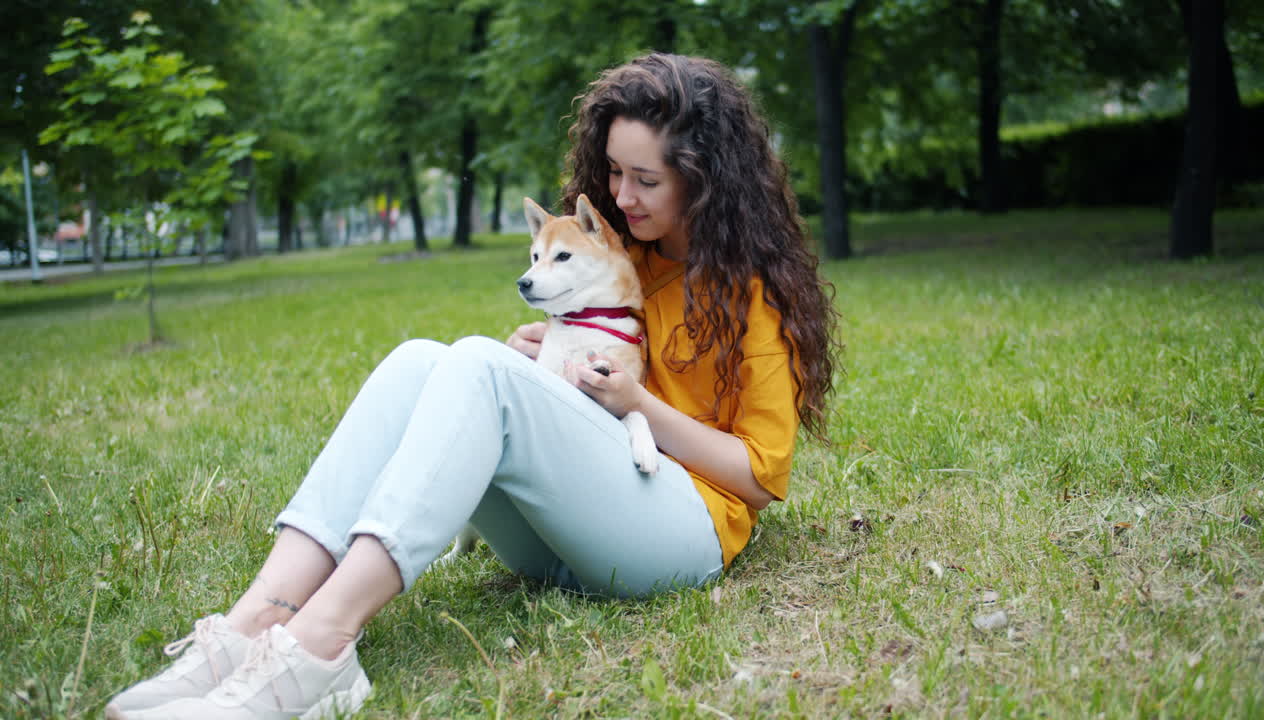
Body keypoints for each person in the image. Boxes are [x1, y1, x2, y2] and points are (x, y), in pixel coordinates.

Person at [105, 52, 838, 720]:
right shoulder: (615, 253)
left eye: (646, 180)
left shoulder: (750, 292)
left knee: (480, 370)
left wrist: (635, 404)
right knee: (425, 359)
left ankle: (319, 647)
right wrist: (544, 365)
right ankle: (252, 624)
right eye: (613, 172)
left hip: (683, 533)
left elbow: (760, 476)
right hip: (570, 533)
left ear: (705, 178)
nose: (622, 195)